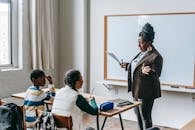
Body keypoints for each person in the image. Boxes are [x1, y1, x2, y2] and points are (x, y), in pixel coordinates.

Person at [120, 23, 163, 130]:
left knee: (145, 117)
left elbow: (157, 74)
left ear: (149, 42)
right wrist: (128, 65)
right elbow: (137, 66)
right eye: (138, 42)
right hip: (137, 90)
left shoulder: (156, 56)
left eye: (141, 42)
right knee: (137, 115)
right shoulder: (141, 53)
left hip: (146, 93)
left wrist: (146, 72)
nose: (138, 45)